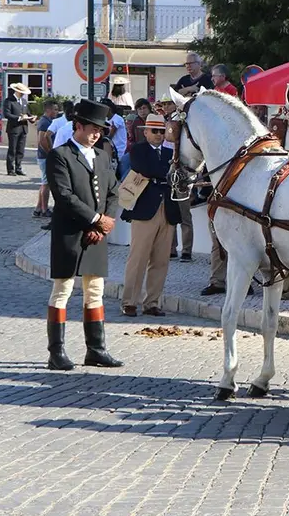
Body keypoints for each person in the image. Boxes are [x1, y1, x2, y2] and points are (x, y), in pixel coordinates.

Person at [43, 99, 123, 371]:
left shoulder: (101, 154)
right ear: (77, 125)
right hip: (69, 232)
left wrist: (105, 223)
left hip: (96, 234)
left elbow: (113, 191)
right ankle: (57, 352)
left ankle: (96, 350)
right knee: (62, 290)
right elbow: (64, 196)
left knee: (95, 291)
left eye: (101, 129)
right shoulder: (60, 155)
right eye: (92, 128)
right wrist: (96, 220)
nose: (97, 133)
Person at [120, 113, 180, 317]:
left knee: (161, 260)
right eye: (154, 131)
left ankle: (152, 302)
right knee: (138, 258)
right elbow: (144, 168)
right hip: (145, 208)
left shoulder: (171, 152)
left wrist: (162, 173)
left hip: (167, 208)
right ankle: (130, 301)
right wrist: (165, 172)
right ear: (145, 132)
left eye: (162, 131)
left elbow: (176, 173)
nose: (158, 135)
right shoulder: (138, 149)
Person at [34, 101, 61, 218]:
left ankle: (38, 208)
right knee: (46, 183)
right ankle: (45, 209)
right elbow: (42, 140)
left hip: (44, 156)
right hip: (45, 157)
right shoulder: (45, 122)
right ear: (48, 110)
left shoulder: (49, 121)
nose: (56, 112)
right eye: (54, 109)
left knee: (45, 182)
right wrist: (50, 153)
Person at [3, 82, 36, 176]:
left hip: (23, 128)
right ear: (16, 91)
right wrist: (19, 118)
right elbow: (7, 114)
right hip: (14, 129)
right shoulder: (9, 101)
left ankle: (18, 168)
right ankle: (10, 169)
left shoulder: (24, 102)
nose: (23, 94)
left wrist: (32, 118)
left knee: (21, 150)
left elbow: (28, 113)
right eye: (21, 92)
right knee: (12, 149)